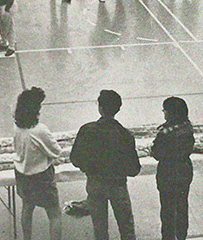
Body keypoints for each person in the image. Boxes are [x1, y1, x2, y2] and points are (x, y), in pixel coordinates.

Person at [70, 90, 141, 240]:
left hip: (95, 183)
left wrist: (88, 167)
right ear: (118, 109)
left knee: (100, 229)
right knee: (126, 227)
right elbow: (134, 169)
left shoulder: (87, 130)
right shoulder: (125, 135)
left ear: (100, 108)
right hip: (118, 185)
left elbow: (75, 158)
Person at [13, 87, 62, 240]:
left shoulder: (17, 127)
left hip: (22, 174)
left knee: (27, 208)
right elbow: (56, 151)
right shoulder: (40, 130)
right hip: (41, 177)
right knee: (54, 214)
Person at [151, 97, 195, 240]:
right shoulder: (188, 128)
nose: (164, 113)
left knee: (167, 210)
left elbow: (157, 153)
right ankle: (182, 236)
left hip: (167, 173)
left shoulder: (164, 133)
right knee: (182, 206)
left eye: (165, 110)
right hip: (184, 171)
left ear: (170, 113)